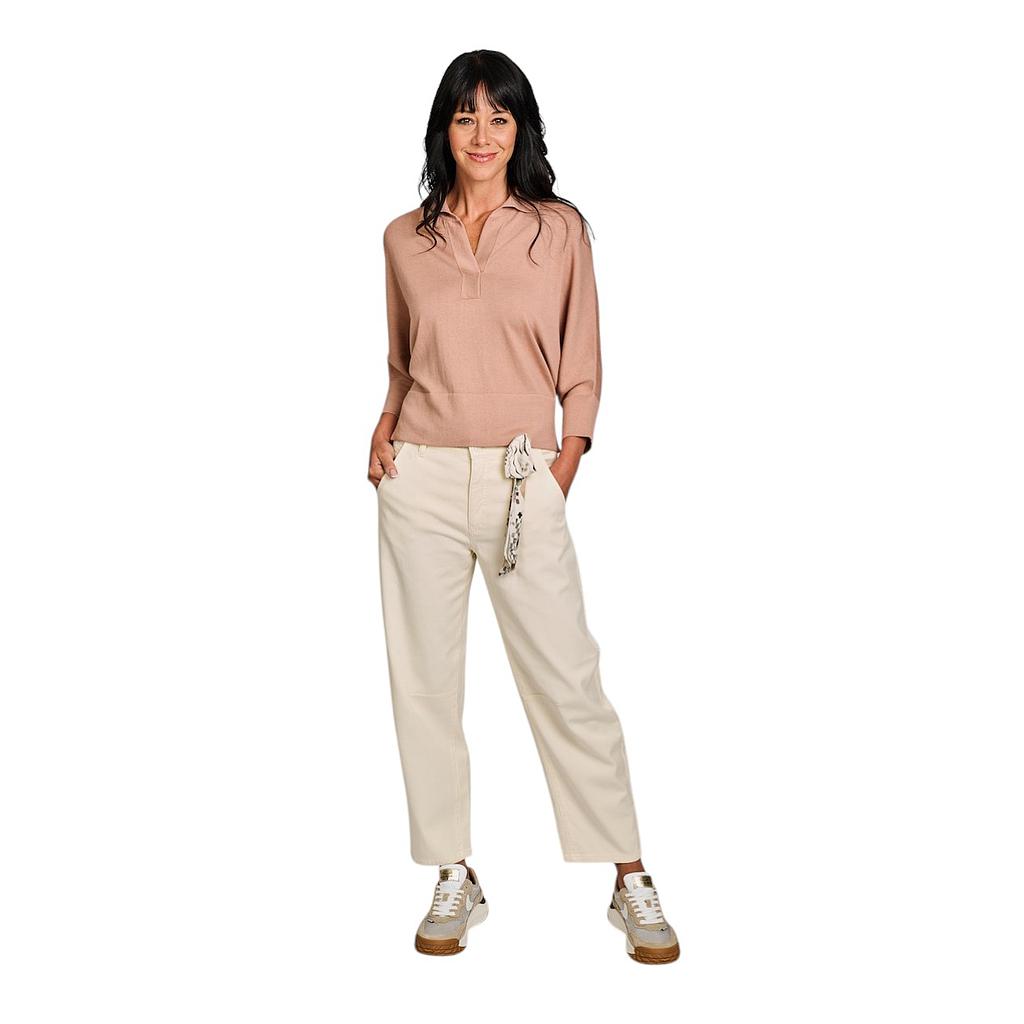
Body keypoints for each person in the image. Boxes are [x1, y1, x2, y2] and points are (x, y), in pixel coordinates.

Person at [368, 50, 679, 965]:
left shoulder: (558, 229)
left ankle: (629, 875)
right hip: (419, 477)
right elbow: (403, 360)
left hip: (520, 477)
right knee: (423, 685)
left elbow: (582, 357)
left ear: (520, 129)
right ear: (444, 127)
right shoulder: (403, 238)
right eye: (465, 116)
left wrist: (565, 461)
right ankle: (453, 871)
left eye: (498, 117)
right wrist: (383, 428)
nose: (482, 135)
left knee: (567, 679)